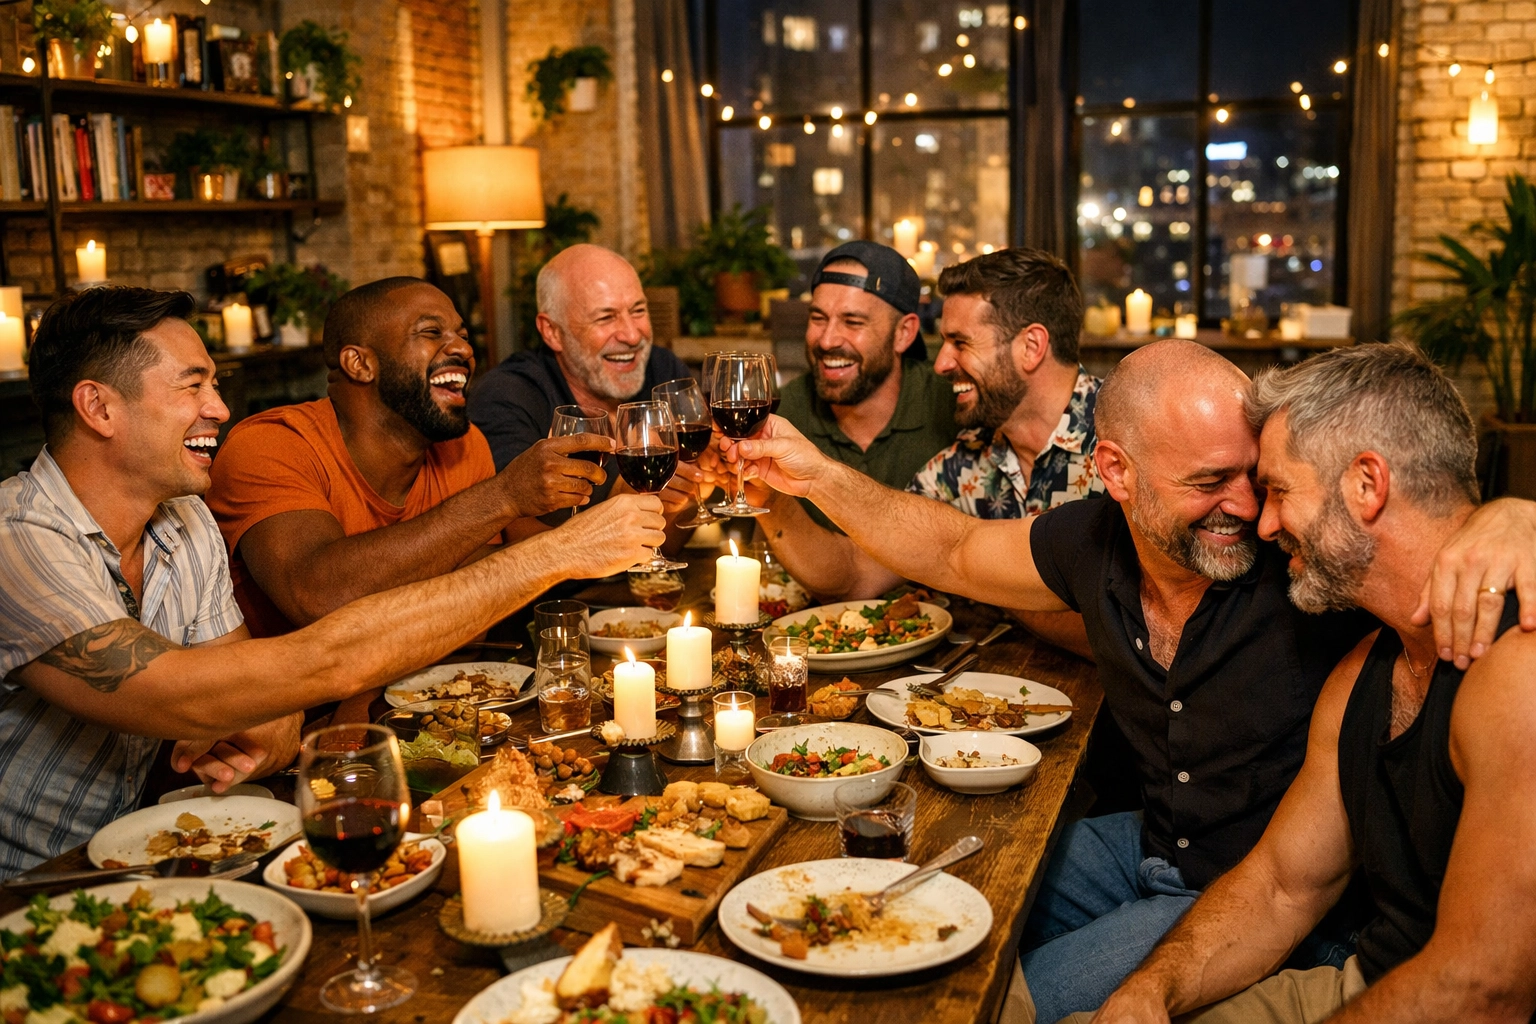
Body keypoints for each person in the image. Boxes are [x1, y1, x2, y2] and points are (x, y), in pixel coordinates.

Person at [717, 338, 1536, 1022]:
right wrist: (811, 475)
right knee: (911, 895)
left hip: (1257, 893)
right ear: (1117, 471)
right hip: (1153, 844)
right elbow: (952, 549)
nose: (1255, 512)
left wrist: (1513, 515)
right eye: (1211, 483)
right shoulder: (1099, 544)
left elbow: (1418, 510)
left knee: (999, 995)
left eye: (1263, 480)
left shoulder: (1312, 582)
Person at [0, 286, 663, 875]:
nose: (220, 409)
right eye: (192, 387)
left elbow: (258, 695)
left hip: (166, 855)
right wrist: (554, 554)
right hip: (31, 888)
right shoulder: (19, 539)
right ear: (99, 407)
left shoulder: (183, 524)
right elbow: (236, 681)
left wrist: (264, 720)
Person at [1079, 343, 1536, 1024]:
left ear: (1366, 484)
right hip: (1377, 978)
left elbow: (1485, 989)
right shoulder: (1360, 677)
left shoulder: (1514, 670)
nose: (1263, 524)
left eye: (1279, 491)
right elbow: (1282, 887)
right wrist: (1153, 990)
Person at [206, 277, 611, 640]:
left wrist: (596, 529)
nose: (464, 349)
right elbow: (317, 595)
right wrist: (504, 495)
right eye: (431, 332)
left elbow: (474, 582)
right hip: (299, 715)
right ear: (360, 363)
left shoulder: (463, 446)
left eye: (463, 335)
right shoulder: (271, 445)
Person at [744, 247, 1103, 654]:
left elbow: (1138, 636)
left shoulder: (1125, 444)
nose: (941, 363)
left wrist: (975, 577)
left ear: (1032, 346)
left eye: (960, 342)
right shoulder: (961, 466)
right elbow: (854, 578)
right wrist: (779, 491)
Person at [771, 240, 958, 531]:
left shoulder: (953, 406)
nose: (827, 340)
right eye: (818, 318)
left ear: (904, 333)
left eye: (853, 322)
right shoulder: (782, 415)